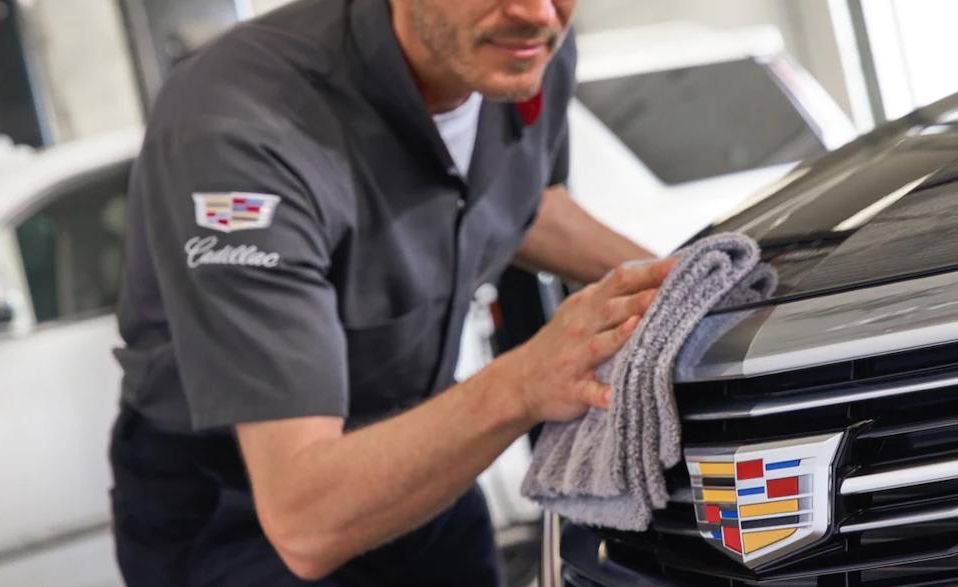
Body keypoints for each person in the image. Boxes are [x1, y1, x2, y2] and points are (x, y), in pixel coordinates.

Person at [108, 0, 670, 584]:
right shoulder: (243, 121)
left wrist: (678, 283)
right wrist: (527, 382)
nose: (536, 12)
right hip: (243, 502)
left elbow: (521, 204)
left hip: (425, 438)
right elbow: (304, 520)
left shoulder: (523, 50)